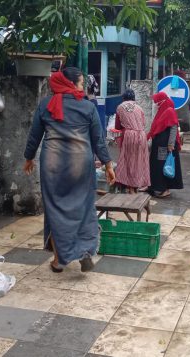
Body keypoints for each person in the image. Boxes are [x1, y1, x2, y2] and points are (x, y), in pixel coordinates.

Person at [23, 67, 115, 273]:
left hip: (52, 165)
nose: (83, 87)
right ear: (71, 84)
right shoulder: (88, 107)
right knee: (83, 209)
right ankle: (84, 252)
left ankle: (59, 260)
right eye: (82, 83)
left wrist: (28, 158)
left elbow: (34, 136)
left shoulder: (46, 104)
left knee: (55, 210)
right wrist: (108, 164)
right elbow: (98, 140)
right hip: (80, 165)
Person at [147, 92, 183, 198]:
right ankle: (155, 186)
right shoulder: (162, 111)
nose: (155, 104)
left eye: (157, 102)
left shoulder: (169, 111)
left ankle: (164, 189)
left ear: (162, 101)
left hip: (165, 146)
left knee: (163, 166)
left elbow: (173, 128)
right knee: (158, 165)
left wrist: (171, 145)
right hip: (160, 144)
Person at [114, 90, 150, 193]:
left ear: (123, 97)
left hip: (129, 135)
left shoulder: (120, 107)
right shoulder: (139, 108)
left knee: (128, 161)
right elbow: (143, 123)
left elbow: (117, 126)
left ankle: (129, 187)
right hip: (141, 135)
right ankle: (136, 186)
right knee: (139, 161)